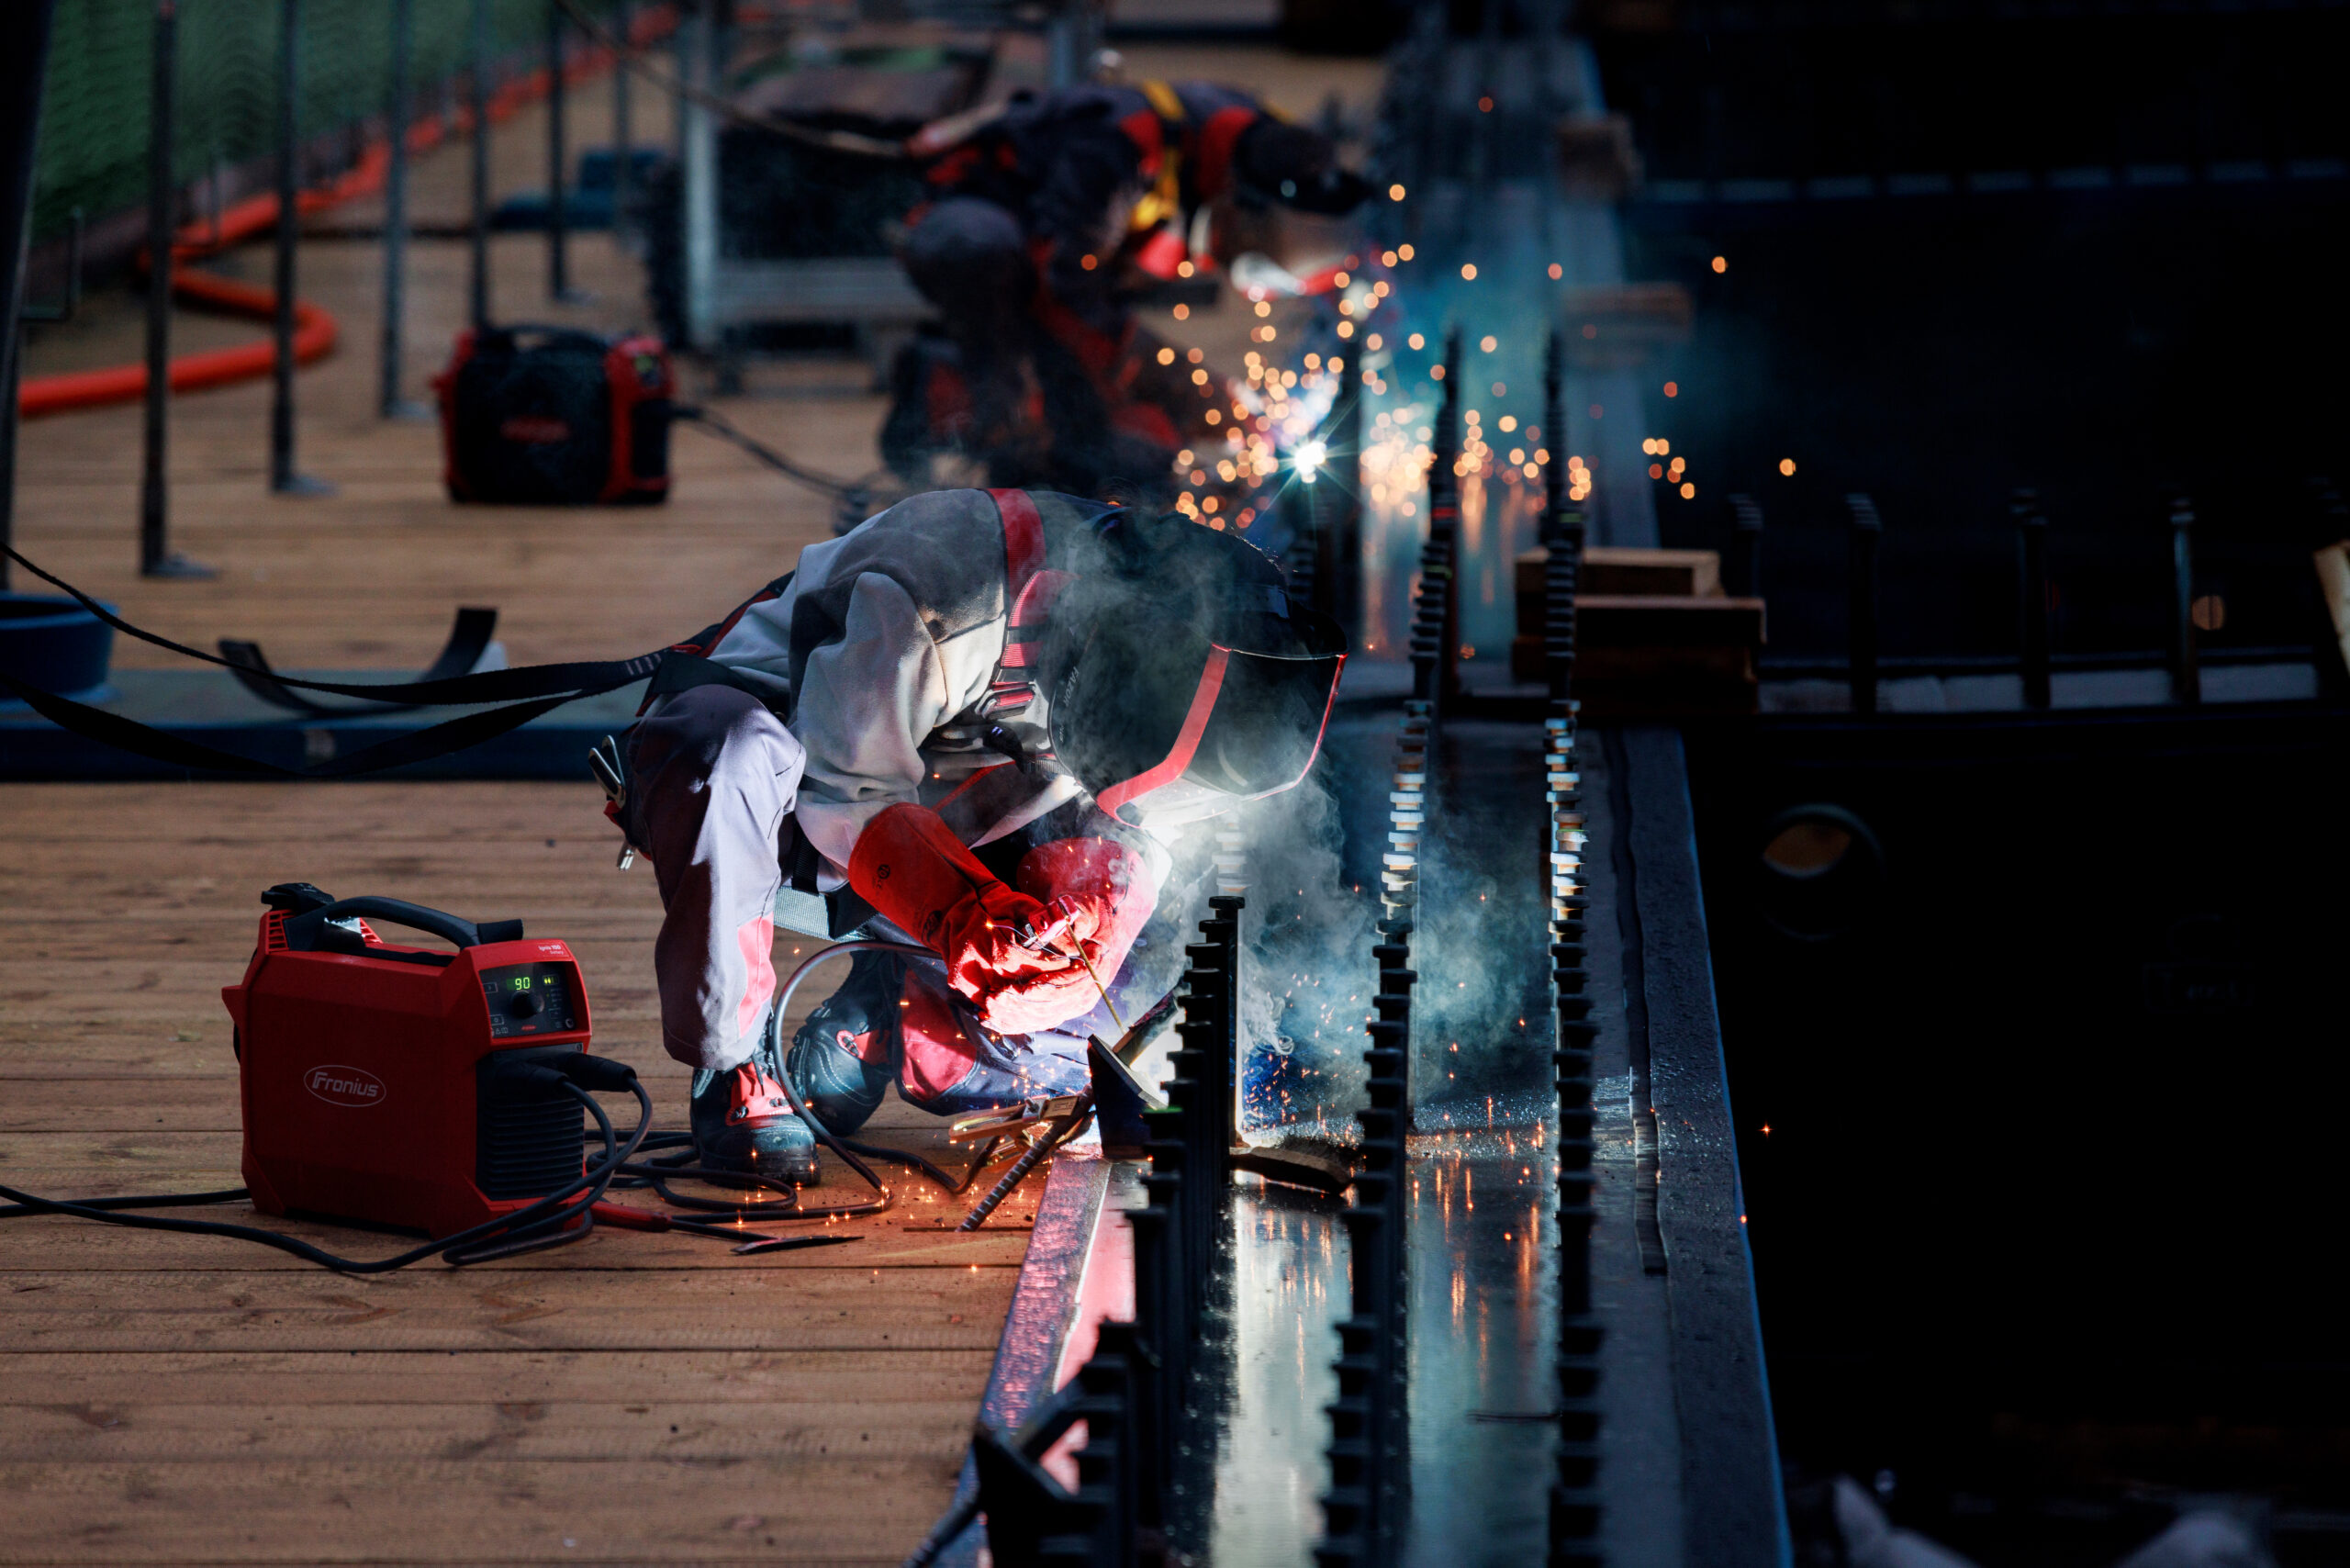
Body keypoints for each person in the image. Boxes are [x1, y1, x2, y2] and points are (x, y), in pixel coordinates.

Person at [607, 487, 1347, 1181]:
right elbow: (842, 790)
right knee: (729, 754)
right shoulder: (941, 588)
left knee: (1119, 1027)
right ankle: (735, 1057)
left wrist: (1097, 906)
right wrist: (960, 916)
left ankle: (893, 1016)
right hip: (790, 779)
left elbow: (1141, 818)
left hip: (955, 788)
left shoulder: (1194, 653)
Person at [881, 80, 1370, 500]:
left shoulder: (1269, 149)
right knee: (988, 259)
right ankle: (989, 453)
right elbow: (1065, 295)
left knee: (1139, 456)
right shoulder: (1119, 150)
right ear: (1236, 208)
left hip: (1062, 268)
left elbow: (1339, 280)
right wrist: (1187, 385)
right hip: (972, 222)